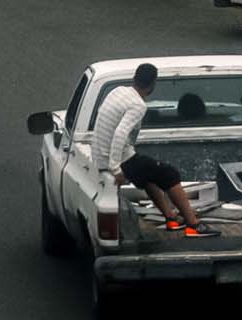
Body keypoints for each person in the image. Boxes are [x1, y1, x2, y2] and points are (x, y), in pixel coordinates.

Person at [92, 63, 218, 237]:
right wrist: (116, 169)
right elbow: (120, 133)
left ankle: (171, 219)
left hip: (101, 154)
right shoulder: (138, 105)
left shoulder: (117, 91)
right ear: (152, 84)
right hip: (117, 159)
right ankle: (193, 225)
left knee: (149, 176)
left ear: (134, 78)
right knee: (169, 174)